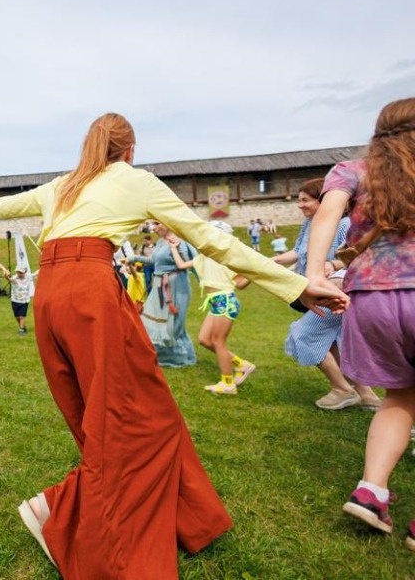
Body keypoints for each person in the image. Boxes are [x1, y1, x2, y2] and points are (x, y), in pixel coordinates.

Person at [0, 111, 348, 579]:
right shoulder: (136, 181)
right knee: (130, 419)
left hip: (52, 297)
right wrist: (295, 284)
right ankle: (57, 512)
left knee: (102, 413)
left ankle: (189, 519)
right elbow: (209, 240)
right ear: (131, 151)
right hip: (91, 291)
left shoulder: (59, 186)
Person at [305, 98, 415, 550]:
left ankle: (372, 492)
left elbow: (329, 214)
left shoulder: (352, 170)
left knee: (399, 397)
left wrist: (314, 275)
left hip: (370, 299)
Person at [271, 179, 380, 411]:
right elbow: (297, 251)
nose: (300, 205)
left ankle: (342, 390)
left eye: (305, 200)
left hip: (337, 291)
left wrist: (332, 263)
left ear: (325, 201)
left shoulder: (344, 224)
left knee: (303, 334)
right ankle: (367, 395)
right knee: (331, 343)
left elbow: (355, 255)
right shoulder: (309, 224)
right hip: (317, 291)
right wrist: (271, 261)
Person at [170, 221, 257, 394]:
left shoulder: (226, 258)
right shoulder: (203, 257)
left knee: (218, 342)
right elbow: (181, 265)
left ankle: (228, 384)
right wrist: (174, 247)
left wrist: (254, 273)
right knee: (204, 339)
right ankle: (242, 364)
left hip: (225, 301)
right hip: (215, 302)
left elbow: (240, 283)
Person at [133, 222, 198, 367]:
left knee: (174, 323)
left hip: (175, 285)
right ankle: (164, 355)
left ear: (167, 222)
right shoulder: (161, 242)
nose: (154, 228)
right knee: (154, 321)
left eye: (156, 224)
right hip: (158, 285)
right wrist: (135, 258)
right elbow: (154, 261)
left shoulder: (178, 241)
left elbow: (189, 262)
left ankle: (181, 357)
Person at [9, 265, 36, 335]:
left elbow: (36, 273)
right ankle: (23, 326)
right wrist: (6, 275)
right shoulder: (14, 278)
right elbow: (9, 279)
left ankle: (21, 330)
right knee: (17, 316)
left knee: (22, 316)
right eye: (18, 272)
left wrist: (44, 266)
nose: (19, 274)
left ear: (25, 272)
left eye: (21, 272)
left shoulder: (28, 277)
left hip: (24, 301)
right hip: (15, 300)